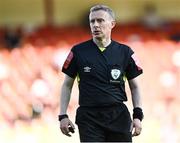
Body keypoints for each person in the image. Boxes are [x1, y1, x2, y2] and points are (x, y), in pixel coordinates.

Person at [59, 4, 144, 142]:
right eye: (92, 21)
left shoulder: (125, 52)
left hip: (118, 116)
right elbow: (67, 85)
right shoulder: (78, 52)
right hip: (89, 117)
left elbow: (135, 86)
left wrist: (138, 116)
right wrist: (62, 115)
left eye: (100, 20)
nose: (95, 25)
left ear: (112, 24)